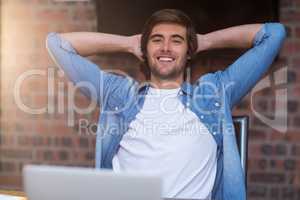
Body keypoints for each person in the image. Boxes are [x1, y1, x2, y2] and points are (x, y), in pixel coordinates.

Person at [46, 9, 286, 200]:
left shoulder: (213, 94)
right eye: (156, 40)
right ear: (145, 49)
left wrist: (204, 41)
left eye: (177, 41)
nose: (166, 47)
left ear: (189, 51)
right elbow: (57, 44)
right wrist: (128, 43)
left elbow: (273, 34)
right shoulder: (118, 94)